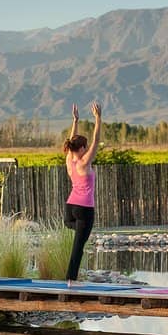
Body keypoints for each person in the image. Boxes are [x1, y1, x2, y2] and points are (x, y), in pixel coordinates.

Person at [63, 102, 102, 287]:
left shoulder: (69, 160)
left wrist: (75, 121)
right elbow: (96, 141)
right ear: (80, 150)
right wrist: (98, 119)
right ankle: (71, 280)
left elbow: (72, 140)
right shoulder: (83, 162)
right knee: (79, 245)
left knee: (81, 237)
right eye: (84, 147)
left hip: (70, 208)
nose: (86, 149)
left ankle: (72, 277)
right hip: (85, 208)